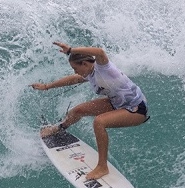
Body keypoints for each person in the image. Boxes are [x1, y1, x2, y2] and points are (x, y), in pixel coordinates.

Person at [31, 41, 148, 180]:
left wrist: (71, 50)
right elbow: (73, 79)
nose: (75, 71)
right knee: (78, 111)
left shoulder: (104, 68)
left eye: (75, 68)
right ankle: (59, 128)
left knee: (99, 122)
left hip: (136, 108)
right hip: (117, 103)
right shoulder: (90, 73)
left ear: (85, 64)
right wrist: (47, 86)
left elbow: (99, 52)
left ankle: (102, 167)